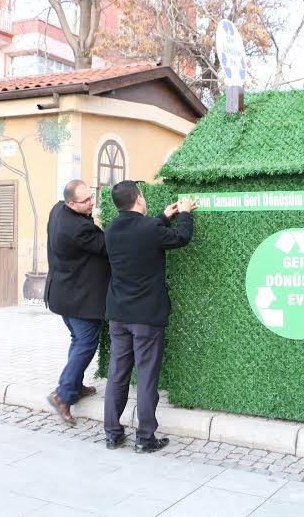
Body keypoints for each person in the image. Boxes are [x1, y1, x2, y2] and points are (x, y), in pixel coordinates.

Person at [102, 181, 197, 453]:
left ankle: (112, 434)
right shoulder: (149, 229)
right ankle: (145, 438)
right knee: (145, 377)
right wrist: (186, 212)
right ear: (139, 200)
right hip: (146, 317)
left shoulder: (110, 229)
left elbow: (141, 233)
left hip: (118, 315)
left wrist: (164, 217)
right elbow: (181, 238)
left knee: (117, 375)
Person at [44, 179, 110, 425]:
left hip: (62, 294)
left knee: (78, 340)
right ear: (71, 202)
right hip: (79, 299)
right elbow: (105, 245)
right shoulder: (78, 229)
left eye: (92, 196)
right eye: (86, 201)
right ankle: (62, 395)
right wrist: (99, 224)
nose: (92, 202)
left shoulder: (57, 209)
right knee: (86, 342)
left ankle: (74, 386)